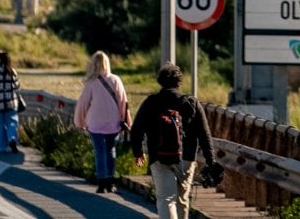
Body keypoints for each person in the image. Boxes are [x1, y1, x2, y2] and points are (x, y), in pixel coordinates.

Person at [128, 64, 216, 219]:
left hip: (158, 156)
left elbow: (136, 130)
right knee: (182, 200)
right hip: (186, 158)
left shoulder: (151, 102)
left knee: (166, 199)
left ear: (160, 81)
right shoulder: (191, 103)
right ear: (179, 82)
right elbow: (204, 134)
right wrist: (211, 161)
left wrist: (138, 152)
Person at [75, 51, 130, 192]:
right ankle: (111, 182)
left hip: (95, 123)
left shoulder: (91, 83)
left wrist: (80, 121)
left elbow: (83, 104)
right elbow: (123, 101)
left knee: (99, 152)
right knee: (111, 150)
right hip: (113, 123)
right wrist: (125, 120)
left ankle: (101, 182)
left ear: (93, 64)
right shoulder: (116, 80)